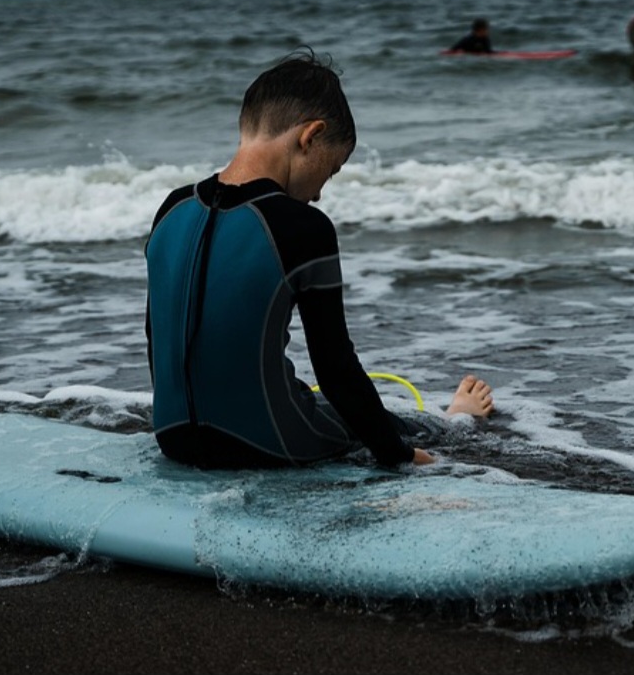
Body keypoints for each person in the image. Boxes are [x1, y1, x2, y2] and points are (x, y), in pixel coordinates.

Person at [144, 49, 494, 470]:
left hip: (173, 437)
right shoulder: (303, 226)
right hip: (265, 443)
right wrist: (398, 456)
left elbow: (159, 340)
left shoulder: (172, 208)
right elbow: (335, 368)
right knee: (397, 423)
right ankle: (457, 417)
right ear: (310, 136)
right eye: (331, 171)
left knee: (323, 403)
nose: (319, 193)